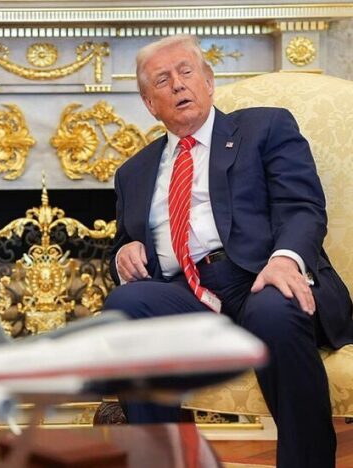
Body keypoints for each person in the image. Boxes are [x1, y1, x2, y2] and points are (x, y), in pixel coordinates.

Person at [105, 35, 353, 468]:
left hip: (260, 276)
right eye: (162, 80)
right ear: (149, 104)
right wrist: (124, 253)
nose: (178, 85)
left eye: (186, 72)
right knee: (124, 305)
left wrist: (285, 260)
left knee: (275, 309)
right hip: (187, 294)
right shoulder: (133, 172)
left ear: (209, 82)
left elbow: (302, 206)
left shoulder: (265, 128)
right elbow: (122, 243)